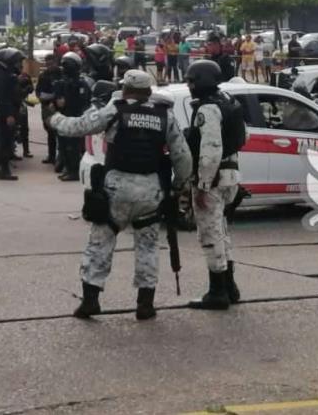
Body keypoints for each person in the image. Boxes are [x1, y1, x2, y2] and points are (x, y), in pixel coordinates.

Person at [47, 70, 192, 320]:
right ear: (149, 91)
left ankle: (90, 301)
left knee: (100, 243)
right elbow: (183, 156)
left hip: (117, 189)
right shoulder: (164, 115)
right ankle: (145, 304)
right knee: (147, 246)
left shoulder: (116, 109)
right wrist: (179, 185)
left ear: (125, 89)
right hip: (150, 190)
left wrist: (54, 118)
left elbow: (80, 126)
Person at [184, 60, 247, 310]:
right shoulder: (229, 101)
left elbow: (210, 150)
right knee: (221, 231)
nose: (189, 86)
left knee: (210, 234)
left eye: (191, 80)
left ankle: (217, 292)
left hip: (214, 178)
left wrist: (202, 184)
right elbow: (243, 137)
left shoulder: (208, 109)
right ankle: (230, 287)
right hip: (230, 175)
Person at [0, 48, 25, 181]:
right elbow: (2, 97)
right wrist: (9, 114)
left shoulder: (4, 74)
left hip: (9, 110)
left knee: (6, 140)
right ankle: (4, 171)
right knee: (6, 142)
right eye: (16, 61)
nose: (18, 64)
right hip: (6, 112)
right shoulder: (1, 76)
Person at [54, 52, 92, 181]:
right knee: (64, 145)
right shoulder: (61, 82)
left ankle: (74, 171)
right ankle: (69, 169)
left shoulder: (81, 83)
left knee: (73, 146)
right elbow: (58, 101)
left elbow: (85, 102)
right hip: (64, 117)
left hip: (75, 118)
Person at [36, 54, 62, 165]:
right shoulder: (43, 75)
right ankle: (51, 156)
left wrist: (55, 99)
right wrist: (41, 98)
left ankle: (61, 157)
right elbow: (38, 90)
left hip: (59, 107)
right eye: (47, 64)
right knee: (50, 132)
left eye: (51, 64)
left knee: (61, 132)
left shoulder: (61, 74)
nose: (49, 66)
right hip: (46, 106)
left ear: (56, 62)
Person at [16, 72, 35, 158]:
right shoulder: (11, 75)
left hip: (22, 106)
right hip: (12, 105)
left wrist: (28, 86)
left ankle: (26, 151)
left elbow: (31, 89)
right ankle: (10, 151)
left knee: (24, 129)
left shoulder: (25, 75)